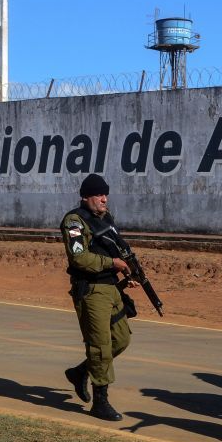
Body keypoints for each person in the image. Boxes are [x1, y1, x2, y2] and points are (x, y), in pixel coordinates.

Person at [61, 173, 139, 421]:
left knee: (121, 339)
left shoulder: (106, 219)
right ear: (86, 197)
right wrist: (112, 263)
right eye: (99, 195)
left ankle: (81, 371)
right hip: (92, 291)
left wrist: (128, 271)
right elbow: (79, 257)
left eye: (106, 194)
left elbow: (116, 249)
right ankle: (100, 401)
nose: (104, 199)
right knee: (100, 346)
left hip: (112, 288)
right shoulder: (75, 222)